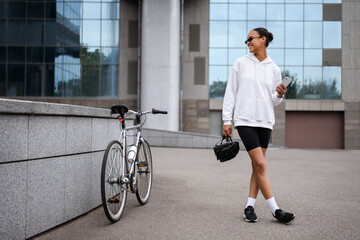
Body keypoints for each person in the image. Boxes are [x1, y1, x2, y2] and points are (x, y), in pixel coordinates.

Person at [222, 27, 295, 224]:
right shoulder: (240, 63)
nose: (248, 42)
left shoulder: (274, 68)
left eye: (250, 39)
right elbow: (231, 93)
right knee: (261, 164)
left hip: (265, 121)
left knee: (257, 166)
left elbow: (274, 100)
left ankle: (249, 207)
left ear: (263, 40)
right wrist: (227, 119)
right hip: (245, 120)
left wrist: (279, 94)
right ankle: (275, 210)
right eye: (246, 40)